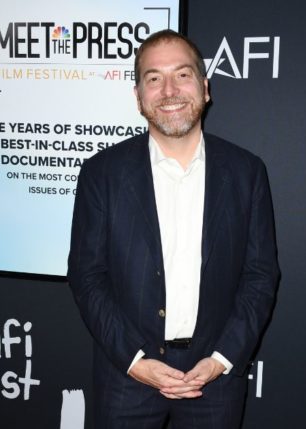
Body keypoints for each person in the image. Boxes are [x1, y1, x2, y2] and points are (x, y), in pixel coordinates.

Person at [68, 29, 280, 429]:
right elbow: (87, 275)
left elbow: (260, 275)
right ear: (137, 96)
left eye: (182, 75)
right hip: (127, 377)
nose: (169, 90)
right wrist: (134, 361)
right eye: (153, 78)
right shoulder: (102, 174)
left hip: (215, 382)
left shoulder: (246, 173)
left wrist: (221, 359)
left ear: (205, 87)